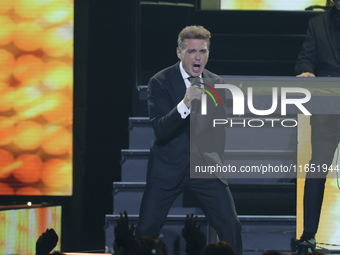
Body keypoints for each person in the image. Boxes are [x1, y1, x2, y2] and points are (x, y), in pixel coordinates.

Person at [135, 25, 243, 255]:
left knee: (231, 227)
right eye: (192, 51)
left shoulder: (216, 82)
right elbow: (161, 129)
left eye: (202, 51)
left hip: (205, 168)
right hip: (168, 167)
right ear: (179, 53)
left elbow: (219, 131)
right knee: (145, 231)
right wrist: (184, 105)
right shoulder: (160, 81)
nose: (198, 57)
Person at [293, 1, 340, 254]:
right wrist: (306, 72)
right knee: (317, 167)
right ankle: (308, 235)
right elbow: (305, 60)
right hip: (327, 107)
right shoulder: (317, 23)